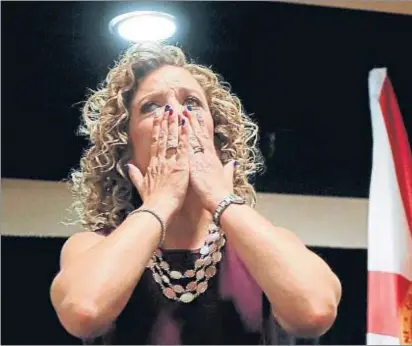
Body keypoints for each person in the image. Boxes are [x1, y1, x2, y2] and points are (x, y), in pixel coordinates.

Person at [50, 42, 341, 345]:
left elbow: (315, 312)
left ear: (216, 138)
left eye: (192, 103)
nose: (176, 114)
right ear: (125, 150)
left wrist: (220, 197)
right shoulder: (92, 246)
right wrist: (160, 203)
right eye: (152, 106)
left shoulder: (270, 244)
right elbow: (84, 311)